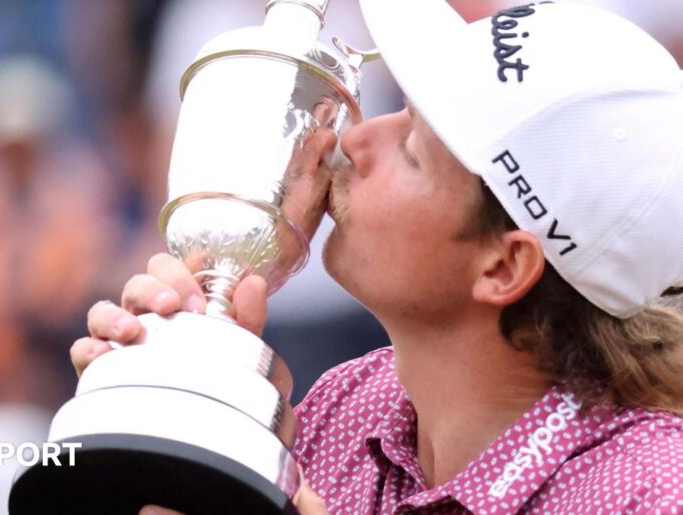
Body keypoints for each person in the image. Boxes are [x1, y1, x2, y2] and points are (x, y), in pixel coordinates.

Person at [70, 1, 683, 513]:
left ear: (504, 267)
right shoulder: (352, 399)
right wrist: (181, 435)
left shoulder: (650, 490)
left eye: (413, 146)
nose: (356, 139)